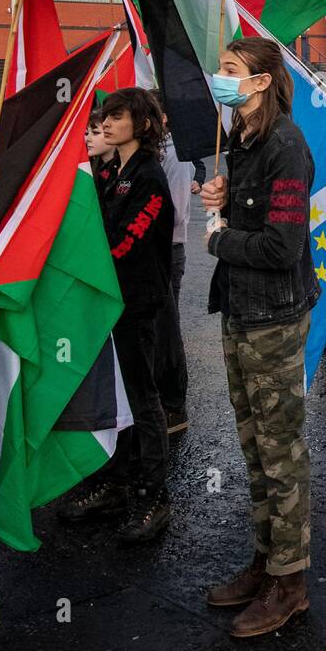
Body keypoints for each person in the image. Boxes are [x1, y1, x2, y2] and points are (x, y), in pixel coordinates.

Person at [200, 38, 318, 639]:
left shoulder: (285, 145)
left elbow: (283, 246)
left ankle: (290, 583)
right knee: (253, 445)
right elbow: (256, 216)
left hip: (271, 315)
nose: (220, 78)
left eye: (231, 71)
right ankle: (264, 561)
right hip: (239, 310)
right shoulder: (242, 140)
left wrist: (220, 239)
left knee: (281, 451)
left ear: (263, 81)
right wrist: (222, 198)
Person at [58, 88, 175, 545]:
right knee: (117, 396)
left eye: (116, 117)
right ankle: (117, 482)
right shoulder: (112, 171)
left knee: (142, 398)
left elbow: (126, 243)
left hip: (137, 303)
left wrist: (83, 258)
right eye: (103, 117)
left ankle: (153, 495)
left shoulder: (148, 177)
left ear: (142, 125)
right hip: (109, 301)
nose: (104, 124)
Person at [154, 97, 196, 436]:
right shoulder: (153, 151)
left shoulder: (176, 153)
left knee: (166, 329)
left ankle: (173, 405)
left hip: (167, 249)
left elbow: (176, 213)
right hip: (154, 249)